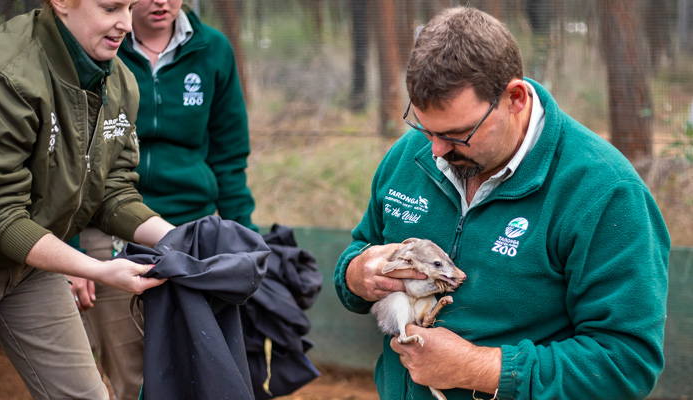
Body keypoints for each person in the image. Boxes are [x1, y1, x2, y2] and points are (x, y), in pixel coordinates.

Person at [334, 6, 669, 400]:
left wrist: (481, 369)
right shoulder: (411, 156)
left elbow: (626, 362)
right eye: (425, 127)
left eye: (458, 134)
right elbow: (360, 251)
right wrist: (357, 274)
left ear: (515, 98)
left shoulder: (603, 192)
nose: (437, 150)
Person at [0, 0, 176, 399]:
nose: (125, 23)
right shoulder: (3, 73)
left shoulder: (118, 79)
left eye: (128, 6)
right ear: (62, 3)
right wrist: (97, 269)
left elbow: (112, 190)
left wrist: (180, 238)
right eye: (110, 8)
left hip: (28, 267)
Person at [68, 0, 258, 398]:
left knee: (195, 373)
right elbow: (66, 162)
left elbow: (229, 155)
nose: (161, 2)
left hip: (191, 237)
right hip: (108, 234)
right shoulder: (97, 45)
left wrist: (245, 242)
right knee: (132, 381)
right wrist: (73, 253)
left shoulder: (214, 50)